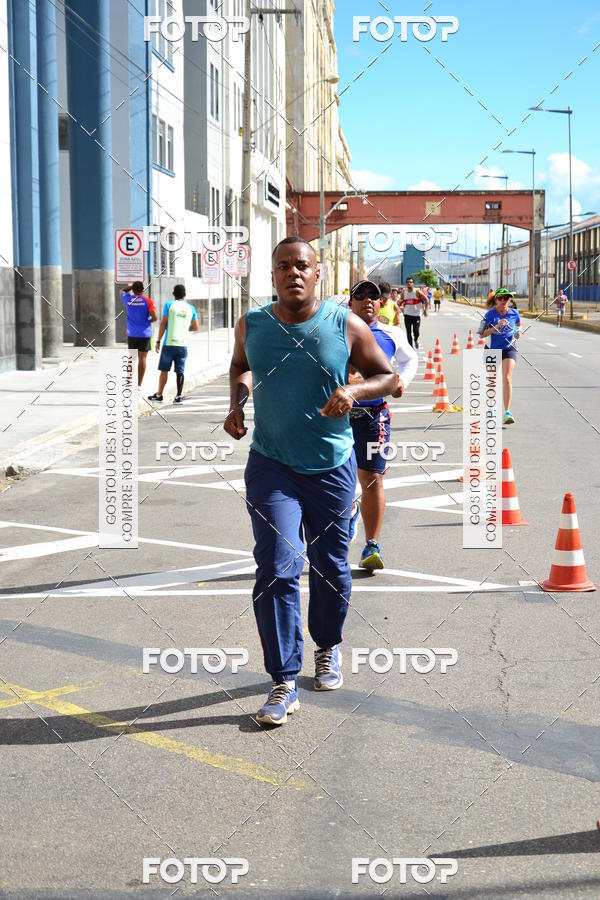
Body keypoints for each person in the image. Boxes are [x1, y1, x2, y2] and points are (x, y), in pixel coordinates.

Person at [224, 236, 395, 726]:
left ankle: (327, 646)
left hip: (331, 468)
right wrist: (237, 403)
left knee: (330, 567)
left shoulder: (345, 324)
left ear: (317, 274)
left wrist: (353, 391)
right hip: (271, 466)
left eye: (302, 265)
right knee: (277, 567)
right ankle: (283, 680)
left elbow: (388, 378)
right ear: (272, 275)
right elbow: (241, 366)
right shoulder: (253, 324)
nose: (293, 272)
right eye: (283, 266)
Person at [347, 280, 418, 570]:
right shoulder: (336, 330)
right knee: (334, 477)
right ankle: (347, 513)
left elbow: (410, 359)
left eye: (373, 296)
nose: (367, 300)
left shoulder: (391, 333)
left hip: (373, 416)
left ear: (381, 303)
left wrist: (402, 382)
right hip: (337, 418)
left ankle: (371, 545)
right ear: (350, 302)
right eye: (360, 295)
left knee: (372, 477)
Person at [148, 284, 199, 404]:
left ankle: (159, 395)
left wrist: (158, 340)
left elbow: (163, 323)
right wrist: (185, 327)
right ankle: (178, 396)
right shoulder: (191, 308)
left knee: (164, 370)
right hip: (183, 345)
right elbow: (196, 327)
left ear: (173, 294)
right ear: (185, 294)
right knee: (180, 371)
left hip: (169, 344)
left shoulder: (169, 305)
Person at [477, 287, 521, 425]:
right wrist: (496, 326)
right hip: (492, 349)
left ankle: (507, 412)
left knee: (507, 378)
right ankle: (490, 407)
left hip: (509, 349)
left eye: (506, 298)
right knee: (492, 380)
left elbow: (518, 325)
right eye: (500, 298)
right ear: (496, 300)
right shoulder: (489, 315)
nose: (503, 300)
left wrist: (517, 332)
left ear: (510, 300)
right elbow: (481, 334)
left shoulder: (514, 313)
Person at [120, 281, 157, 387]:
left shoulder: (128, 299)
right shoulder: (148, 301)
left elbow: (122, 291)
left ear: (133, 290)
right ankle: (139, 385)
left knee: (131, 358)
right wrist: (147, 321)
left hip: (132, 333)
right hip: (145, 334)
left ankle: (128, 383)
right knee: (142, 358)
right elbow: (155, 317)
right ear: (143, 290)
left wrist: (131, 287)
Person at [399, 276, 428, 348]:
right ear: (406, 284)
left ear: (413, 284)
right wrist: (399, 304)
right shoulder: (404, 293)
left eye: (411, 282)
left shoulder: (417, 292)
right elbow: (400, 301)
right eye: (408, 282)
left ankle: (416, 339)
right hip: (407, 315)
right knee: (408, 333)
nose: (409, 283)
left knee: (416, 331)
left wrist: (426, 310)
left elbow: (426, 299)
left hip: (416, 315)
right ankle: (410, 348)